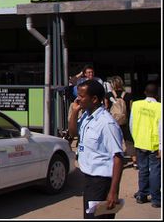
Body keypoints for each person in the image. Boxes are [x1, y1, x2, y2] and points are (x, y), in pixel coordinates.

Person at [68, 79, 124, 219]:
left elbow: (118, 158)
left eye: (81, 96)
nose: (78, 99)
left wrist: (113, 191)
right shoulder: (87, 116)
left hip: (101, 183)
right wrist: (74, 113)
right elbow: (73, 133)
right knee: (89, 217)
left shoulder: (106, 123)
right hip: (89, 180)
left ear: (94, 99)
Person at [129, 82, 161, 208]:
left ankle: (142, 195)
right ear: (156, 94)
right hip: (154, 144)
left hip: (140, 142)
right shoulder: (159, 107)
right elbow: (160, 128)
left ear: (145, 93)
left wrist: (136, 139)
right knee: (155, 171)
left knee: (142, 170)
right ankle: (156, 199)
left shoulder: (136, 105)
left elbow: (131, 124)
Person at [105, 75, 136, 168]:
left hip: (113, 122)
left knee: (115, 141)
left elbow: (106, 108)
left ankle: (118, 161)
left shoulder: (108, 95)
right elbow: (131, 109)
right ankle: (135, 161)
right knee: (129, 140)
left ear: (112, 84)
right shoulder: (128, 95)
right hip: (125, 121)